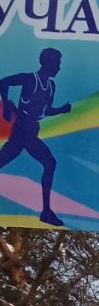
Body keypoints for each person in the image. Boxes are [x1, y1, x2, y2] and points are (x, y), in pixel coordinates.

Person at [0, 48, 72, 227]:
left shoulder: (51, 86)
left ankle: (46, 212)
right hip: (22, 129)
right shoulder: (30, 79)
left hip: (31, 130)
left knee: (47, 163)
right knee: (50, 163)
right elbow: (4, 82)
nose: (59, 68)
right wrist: (7, 107)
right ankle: (46, 212)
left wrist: (61, 110)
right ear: (49, 63)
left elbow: (45, 110)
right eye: (57, 64)